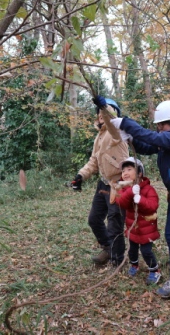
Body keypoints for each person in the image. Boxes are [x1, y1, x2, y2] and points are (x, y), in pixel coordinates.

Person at [107, 100, 170, 298]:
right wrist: (131, 139)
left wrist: (125, 122)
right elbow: (147, 145)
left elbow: (152, 137)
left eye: (162, 125)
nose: (159, 129)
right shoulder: (168, 139)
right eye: (158, 126)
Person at [71, 97, 129, 266]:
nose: (102, 115)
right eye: (100, 113)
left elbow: (112, 124)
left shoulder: (116, 132)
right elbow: (94, 161)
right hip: (103, 183)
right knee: (94, 219)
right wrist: (81, 175)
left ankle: (117, 259)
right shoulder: (99, 137)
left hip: (118, 184)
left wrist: (104, 106)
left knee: (114, 223)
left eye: (107, 112)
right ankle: (108, 248)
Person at [114, 157, 161, 285]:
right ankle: (134, 265)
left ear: (139, 173)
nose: (125, 173)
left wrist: (140, 199)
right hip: (132, 227)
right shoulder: (124, 189)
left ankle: (154, 270)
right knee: (132, 250)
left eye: (129, 169)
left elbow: (152, 206)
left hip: (147, 229)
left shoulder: (148, 190)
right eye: (123, 171)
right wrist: (130, 192)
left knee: (146, 251)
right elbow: (121, 202)